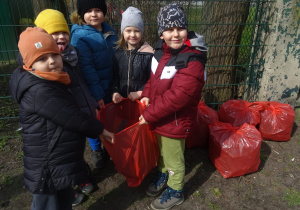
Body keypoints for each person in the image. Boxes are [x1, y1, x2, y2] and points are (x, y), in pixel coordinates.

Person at [9, 27, 114, 210]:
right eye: (42, 59)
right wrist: (99, 129)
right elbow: (72, 117)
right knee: (47, 205)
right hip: (47, 167)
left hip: (59, 160)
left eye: (54, 55)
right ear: (29, 64)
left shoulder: (50, 79)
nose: (51, 62)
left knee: (64, 200)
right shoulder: (39, 90)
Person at [139, 3, 208, 210]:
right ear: (161, 33)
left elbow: (179, 96)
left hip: (176, 120)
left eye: (180, 28)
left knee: (174, 157)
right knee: (162, 151)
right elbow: (153, 79)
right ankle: (163, 173)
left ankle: (175, 189)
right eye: (169, 29)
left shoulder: (192, 60)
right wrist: (145, 95)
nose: (175, 34)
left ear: (186, 29)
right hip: (160, 115)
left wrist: (150, 113)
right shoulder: (160, 52)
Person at [34, 9, 99, 206]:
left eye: (63, 32)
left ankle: (81, 177)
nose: (60, 36)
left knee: (76, 151)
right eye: (53, 33)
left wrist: (91, 104)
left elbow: (81, 84)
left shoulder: (72, 55)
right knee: (62, 158)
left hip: (78, 113)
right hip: (59, 122)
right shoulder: (44, 66)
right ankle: (69, 188)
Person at [70, 0, 118, 169]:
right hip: (93, 89)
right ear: (81, 14)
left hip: (110, 85)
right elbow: (86, 68)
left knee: (109, 117)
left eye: (98, 10)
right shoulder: (79, 36)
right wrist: (97, 94)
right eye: (89, 10)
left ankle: (109, 147)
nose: (94, 14)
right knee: (94, 119)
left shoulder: (110, 31)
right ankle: (96, 150)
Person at [111, 6, 154, 103]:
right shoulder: (118, 54)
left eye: (137, 31)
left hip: (142, 101)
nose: (133, 35)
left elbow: (152, 79)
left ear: (142, 32)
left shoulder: (149, 54)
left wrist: (140, 92)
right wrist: (115, 92)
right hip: (122, 102)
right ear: (123, 33)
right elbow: (115, 77)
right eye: (128, 31)